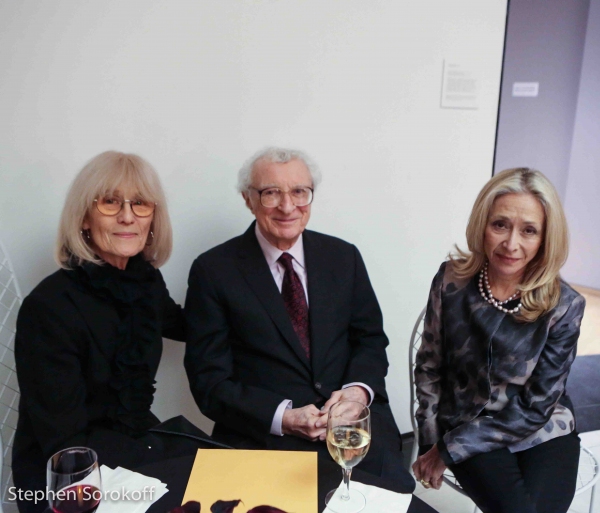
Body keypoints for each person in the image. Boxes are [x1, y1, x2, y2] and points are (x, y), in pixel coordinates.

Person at [184, 147, 414, 490]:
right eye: (271, 193)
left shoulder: (343, 257)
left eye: (298, 192)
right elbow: (210, 382)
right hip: (265, 437)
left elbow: (369, 340)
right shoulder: (213, 270)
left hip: (354, 429)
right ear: (249, 200)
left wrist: (356, 394)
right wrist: (284, 417)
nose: (287, 206)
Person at [13, 151, 212, 513]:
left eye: (140, 204)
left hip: (132, 439)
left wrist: (251, 300)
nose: (126, 216)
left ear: (153, 218)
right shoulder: (49, 306)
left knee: (229, 479)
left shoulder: (144, 281)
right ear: (84, 218)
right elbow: (63, 441)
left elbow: (188, 326)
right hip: (69, 473)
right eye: (109, 202)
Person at [412, 167, 585, 513]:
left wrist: (446, 450)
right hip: (467, 422)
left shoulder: (564, 306)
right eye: (500, 225)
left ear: (546, 238)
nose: (511, 244)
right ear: (483, 224)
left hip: (542, 426)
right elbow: (429, 366)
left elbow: (538, 406)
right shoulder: (452, 281)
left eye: (529, 231)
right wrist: (432, 440)